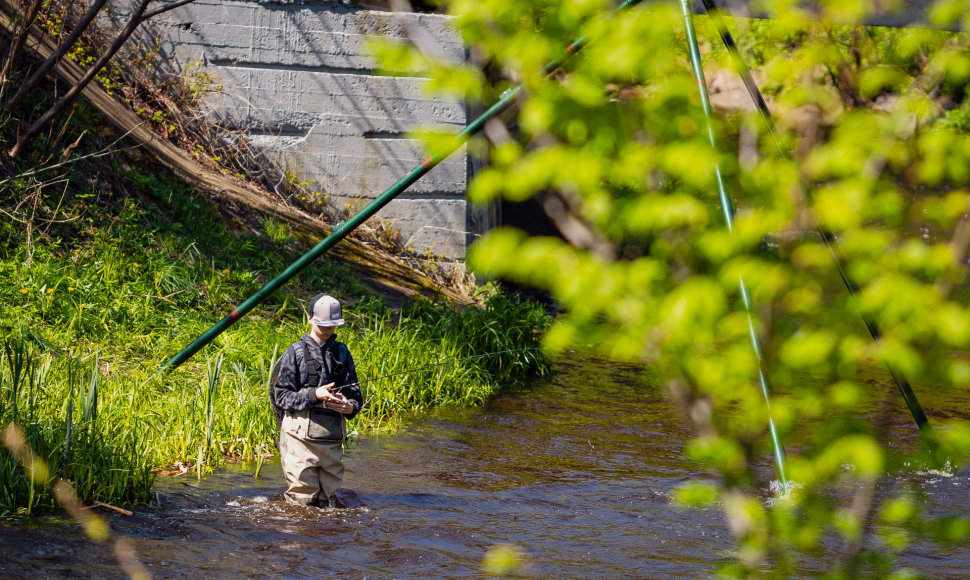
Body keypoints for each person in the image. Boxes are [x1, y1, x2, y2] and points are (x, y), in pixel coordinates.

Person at [271, 293, 363, 507]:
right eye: (324, 324)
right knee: (302, 502)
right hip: (299, 440)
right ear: (309, 319)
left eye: (333, 325)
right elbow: (281, 397)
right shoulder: (294, 353)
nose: (329, 329)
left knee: (326, 503)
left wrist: (349, 407)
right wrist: (314, 395)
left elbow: (356, 397)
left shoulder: (342, 353)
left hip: (331, 439)